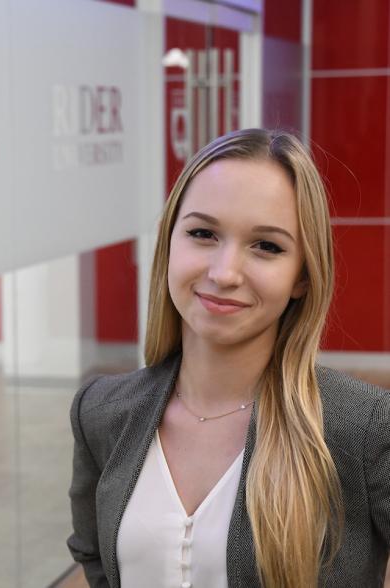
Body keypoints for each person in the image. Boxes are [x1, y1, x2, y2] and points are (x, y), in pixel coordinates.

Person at [66, 128, 390, 588]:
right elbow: (94, 558)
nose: (225, 273)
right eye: (203, 233)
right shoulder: (100, 411)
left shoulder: (363, 428)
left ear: (302, 276)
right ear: (169, 244)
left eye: (267, 246)